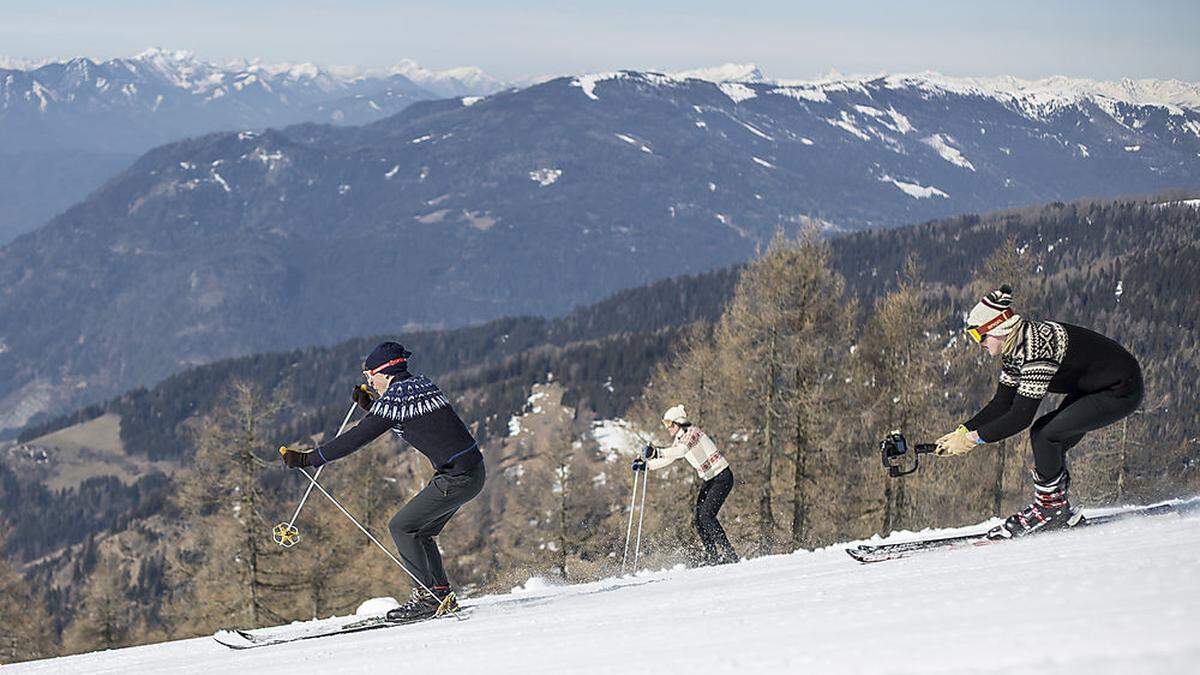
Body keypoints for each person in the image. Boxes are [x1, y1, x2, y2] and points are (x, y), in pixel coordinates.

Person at [280, 341, 485, 621]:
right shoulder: (421, 384)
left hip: (457, 477)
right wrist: (373, 407)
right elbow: (411, 417)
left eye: (369, 375)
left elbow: (355, 439)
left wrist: (307, 459)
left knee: (402, 526)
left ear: (384, 372)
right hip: (470, 471)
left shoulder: (394, 402)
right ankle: (440, 595)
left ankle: (428, 599)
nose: (369, 381)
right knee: (420, 531)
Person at [935, 286, 1143, 539]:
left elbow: (1019, 417)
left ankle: (1051, 508)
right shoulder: (1014, 349)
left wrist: (971, 440)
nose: (979, 344)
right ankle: (1056, 506)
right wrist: (962, 430)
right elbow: (1002, 403)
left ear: (999, 328)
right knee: (1050, 442)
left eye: (980, 336)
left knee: (1045, 434)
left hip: (1120, 389)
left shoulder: (1036, 347)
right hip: (1095, 387)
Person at [640, 405, 738, 565]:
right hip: (710, 479)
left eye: (669, 424)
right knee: (699, 519)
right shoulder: (679, 438)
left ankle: (730, 555)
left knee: (706, 515)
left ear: (679, 422)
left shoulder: (692, 432)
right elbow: (670, 457)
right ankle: (713, 557)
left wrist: (656, 451)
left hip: (722, 477)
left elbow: (681, 451)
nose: (667, 428)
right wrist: (647, 466)